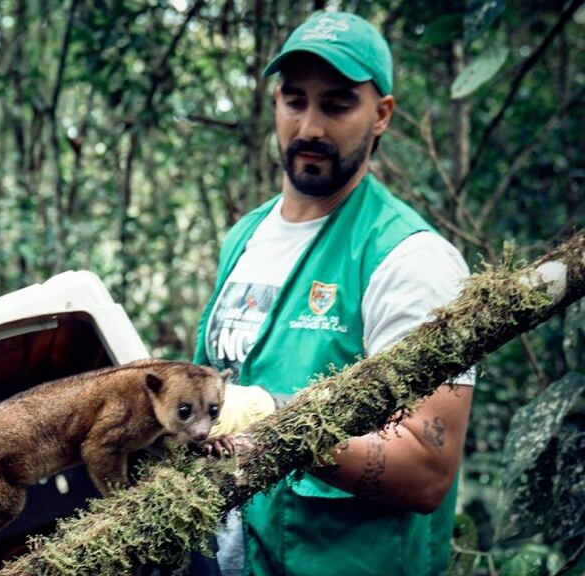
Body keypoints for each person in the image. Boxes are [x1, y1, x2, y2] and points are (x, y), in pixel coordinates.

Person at [194, 12, 474, 576]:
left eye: (338, 105)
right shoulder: (244, 236)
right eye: (295, 101)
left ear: (381, 116)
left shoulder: (411, 261)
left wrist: (278, 424)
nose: (310, 127)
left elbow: (427, 471)